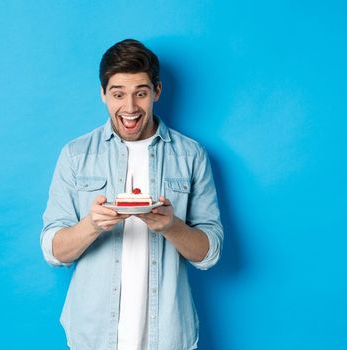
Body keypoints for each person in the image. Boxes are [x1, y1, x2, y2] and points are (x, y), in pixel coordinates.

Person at [40, 39, 223, 350]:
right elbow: (53, 251)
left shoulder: (191, 155)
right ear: (103, 94)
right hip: (92, 336)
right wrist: (93, 225)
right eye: (118, 94)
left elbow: (210, 252)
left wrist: (170, 226)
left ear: (157, 92)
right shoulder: (76, 155)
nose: (129, 107)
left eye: (140, 93)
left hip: (168, 335)